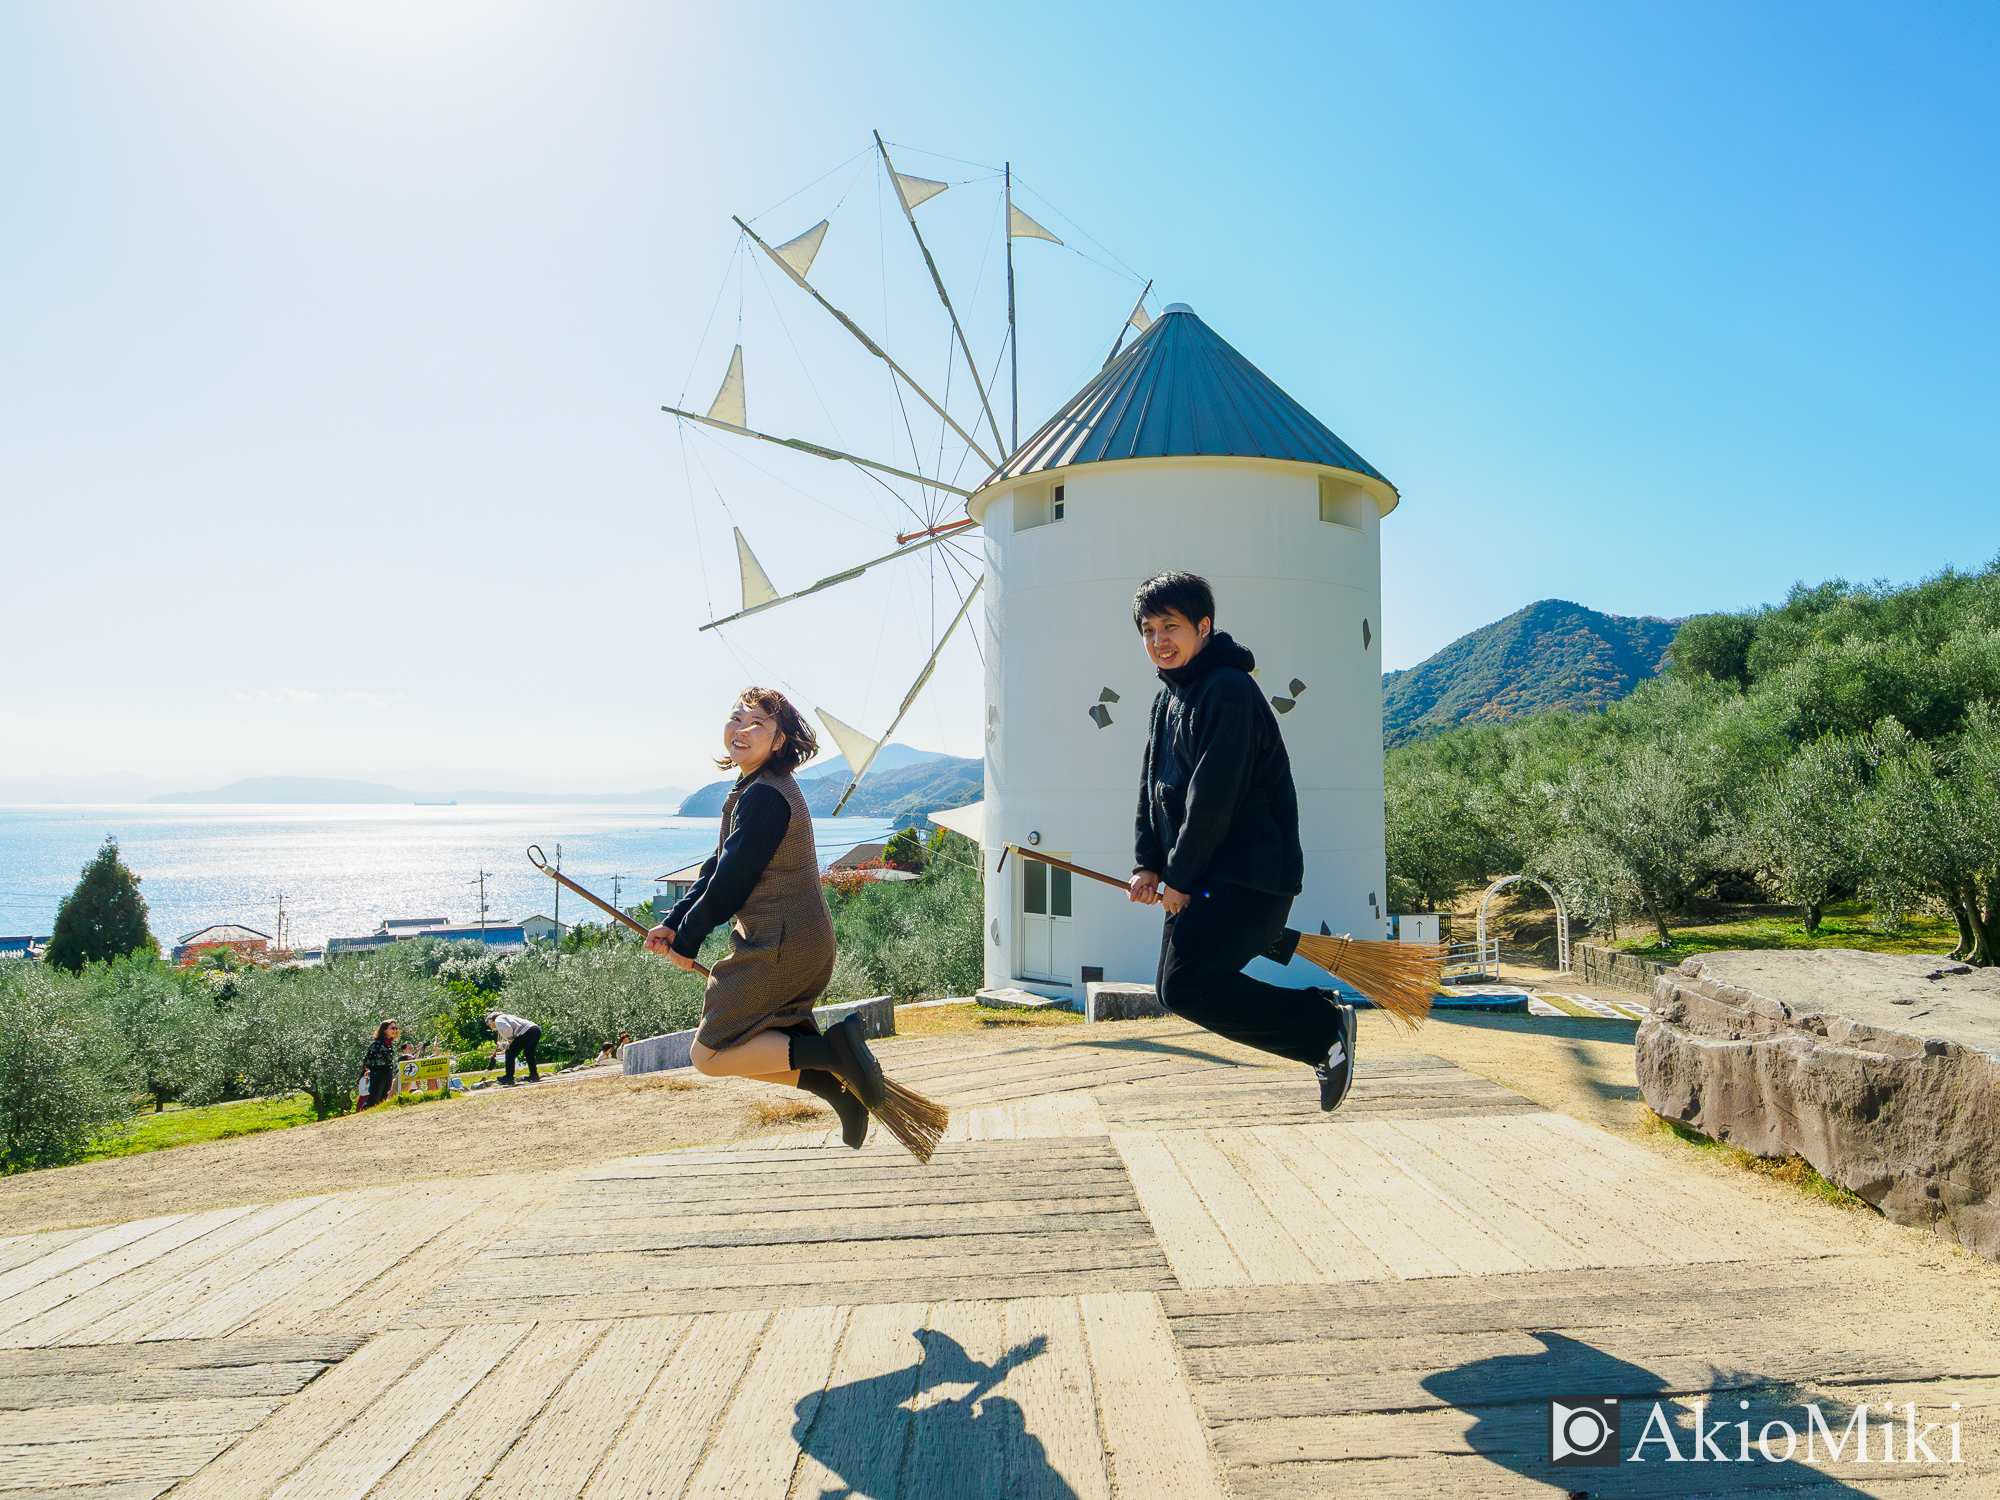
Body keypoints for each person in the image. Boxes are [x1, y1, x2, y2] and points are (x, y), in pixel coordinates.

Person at [1126, 571, 1358, 1111]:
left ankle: (1321, 1027)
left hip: (1248, 874)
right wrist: (1148, 865)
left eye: (1172, 626)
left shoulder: (1228, 690)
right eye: (1149, 629)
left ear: (1204, 627)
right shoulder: (1167, 701)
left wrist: (1179, 878)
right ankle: (1320, 1025)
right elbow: (1151, 789)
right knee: (1174, 989)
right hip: (1204, 874)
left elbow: (1215, 795)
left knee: (1186, 987)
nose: (1159, 639)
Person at [645, 686, 889, 1150]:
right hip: (791, 941)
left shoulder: (765, 797)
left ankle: (835, 1052)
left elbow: (732, 881)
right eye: (736, 717)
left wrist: (689, 940)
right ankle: (843, 1094)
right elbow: (718, 866)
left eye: (757, 723)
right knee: (764, 1042)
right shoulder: (758, 789)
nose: (741, 728)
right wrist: (676, 921)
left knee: (710, 1054)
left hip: (782, 946)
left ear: (779, 742)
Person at [485, 1008, 542, 1085]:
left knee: (510, 1052)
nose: (489, 1026)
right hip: (535, 1030)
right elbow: (513, 1038)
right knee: (528, 1052)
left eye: (488, 1023)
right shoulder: (505, 1017)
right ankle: (534, 1075)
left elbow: (508, 1031)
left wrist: (510, 1042)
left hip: (527, 1032)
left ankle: (509, 1077)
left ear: (492, 1019)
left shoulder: (498, 1020)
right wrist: (505, 1044)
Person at [360, 1020, 399, 1110]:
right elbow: (368, 1058)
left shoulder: (389, 1044)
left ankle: (378, 1113)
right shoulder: (376, 1044)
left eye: (396, 1028)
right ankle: (365, 1112)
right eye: (392, 1028)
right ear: (385, 1030)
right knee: (375, 1096)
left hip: (388, 1072)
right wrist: (367, 1070)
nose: (395, 1030)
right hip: (378, 1073)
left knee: (384, 1096)